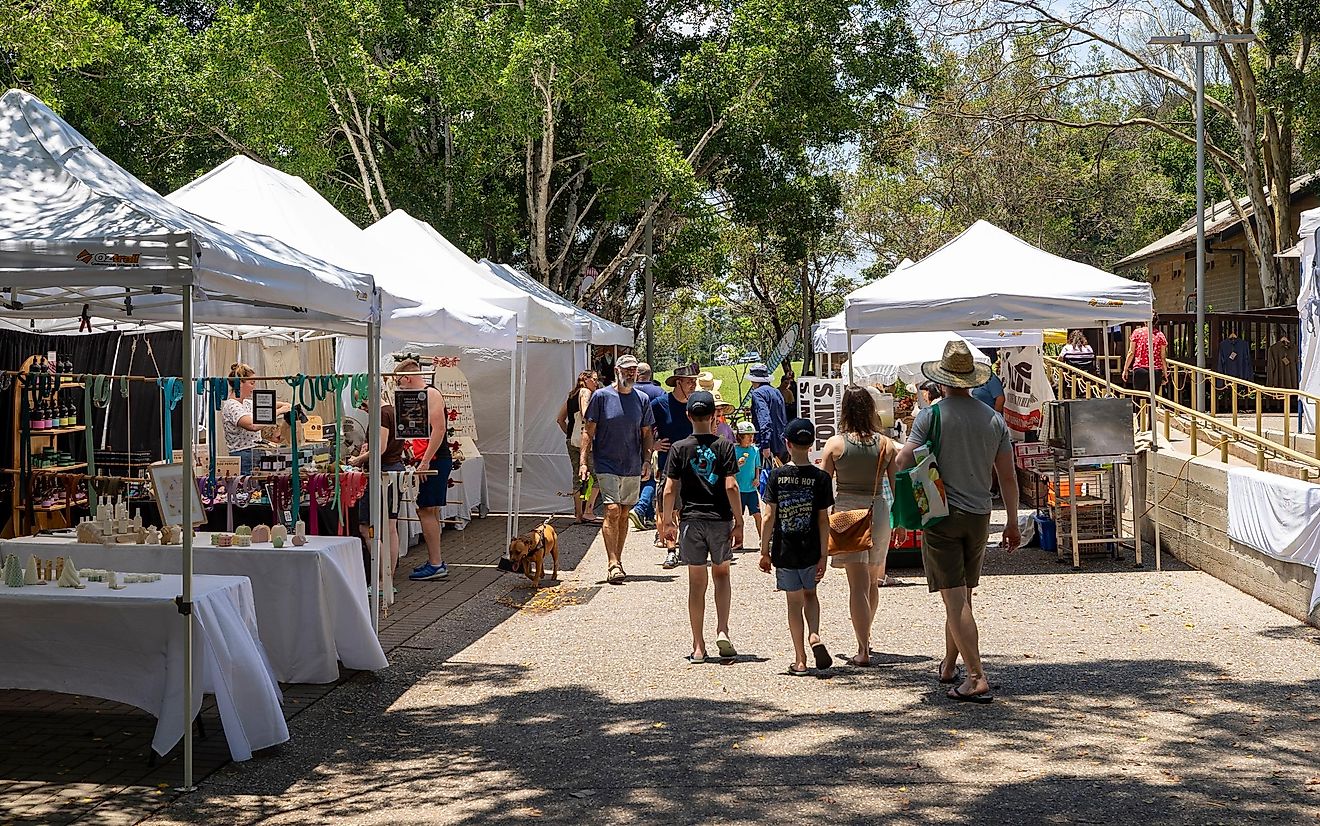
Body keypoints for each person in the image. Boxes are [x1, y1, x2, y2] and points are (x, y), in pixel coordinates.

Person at [895, 341, 1019, 704]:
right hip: (981, 515)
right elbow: (1008, 476)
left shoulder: (930, 415)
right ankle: (950, 663)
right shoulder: (993, 418)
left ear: (942, 379)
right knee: (963, 595)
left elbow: (904, 459)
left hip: (941, 514)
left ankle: (976, 676)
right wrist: (1011, 521)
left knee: (953, 598)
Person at [820, 386, 905, 666]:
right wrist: (901, 521)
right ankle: (866, 637)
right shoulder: (886, 444)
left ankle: (863, 648)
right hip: (878, 511)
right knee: (872, 582)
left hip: (847, 512)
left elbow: (822, 490)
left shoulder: (835, 445)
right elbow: (897, 487)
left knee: (856, 585)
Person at [660, 391, 742, 662]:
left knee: (696, 584)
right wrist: (739, 521)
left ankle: (698, 645)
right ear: (713, 416)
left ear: (688, 416)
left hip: (691, 520)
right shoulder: (724, 446)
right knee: (722, 576)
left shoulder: (679, 448)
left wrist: (668, 521)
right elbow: (731, 485)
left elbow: (670, 488)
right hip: (719, 520)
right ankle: (723, 629)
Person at [759, 418, 835, 675]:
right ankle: (814, 634)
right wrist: (824, 554)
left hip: (785, 548)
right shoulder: (821, 478)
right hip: (811, 547)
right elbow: (824, 519)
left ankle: (800, 659)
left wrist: (764, 551)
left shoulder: (777, 476)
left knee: (794, 603)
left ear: (787, 444)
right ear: (812, 444)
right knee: (810, 594)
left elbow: (769, 516)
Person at [583, 354, 655, 584]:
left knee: (624, 512)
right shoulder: (601, 397)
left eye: (634, 370)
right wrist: (583, 461)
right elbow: (588, 430)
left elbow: (646, 433)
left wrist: (646, 460)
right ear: (617, 370)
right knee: (612, 509)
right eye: (627, 369)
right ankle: (612, 562)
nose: (631, 373)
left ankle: (619, 560)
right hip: (606, 462)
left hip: (632, 463)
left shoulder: (642, 399)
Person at [400, 358, 454, 582]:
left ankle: (436, 563)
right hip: (430, 459)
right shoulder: (421, 396)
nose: (400, 388)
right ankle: (435, 559)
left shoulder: (431, 394)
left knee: (426, 510)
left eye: (401, 383)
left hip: (435, 459)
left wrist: (425, 461)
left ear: (407, 377)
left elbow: (439, 429)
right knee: (429, 510)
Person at [349, 389, 406, 591]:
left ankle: (382, 579)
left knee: (369, 528)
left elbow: (380, 448)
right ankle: (387, 578)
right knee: (390, 527)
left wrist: (358, 460)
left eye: (363, 405)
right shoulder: (392, 411)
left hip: (382, 473)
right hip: (392, 471)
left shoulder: (381, 413)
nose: (363, 410)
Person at [653, 363, 699, 569]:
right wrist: (652, 445)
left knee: (689, 510)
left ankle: (686, 547)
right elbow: (643, 429)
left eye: (695, 381)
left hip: (696, 467)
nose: (693, 385)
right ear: (678, 383)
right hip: (669, 467)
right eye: (690, 382)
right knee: (668, 510)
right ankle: (671, 550)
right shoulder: (660, 404)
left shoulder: (697, 404)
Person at [221, 362, 290, 475]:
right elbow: (252, 425)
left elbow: (270, 405)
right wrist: (280, 411)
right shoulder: (231, 406)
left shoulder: (246, 403)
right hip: (244, 456)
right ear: (240, 384)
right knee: (247, 490)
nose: (254, 386)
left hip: (256, 452)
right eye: (252, 383)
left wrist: (285, 405)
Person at [557, 370, 602, 524]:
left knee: (577, 476)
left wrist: (569, 435)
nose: (597, 383)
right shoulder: (585, 392)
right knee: (596, 475)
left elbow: (559, 419)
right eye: (594, 380)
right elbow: (585, 414)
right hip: (585, 440)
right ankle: (588, 511)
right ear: (586, 379)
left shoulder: (571, 396)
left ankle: (578, 514)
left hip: (571, 441)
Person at [749, 363, 787, 463]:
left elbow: (764, 419)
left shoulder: (757, 394)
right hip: (781, 442)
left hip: (769, 444)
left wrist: (765, 444)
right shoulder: (777, 392)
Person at [1122, 317, 1168, 394]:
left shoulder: (1137, 333)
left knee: (1139, 397)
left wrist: (1125, 369)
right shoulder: (1160, 335)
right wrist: (1165, 372)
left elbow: (1131, 353)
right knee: (1154, 397)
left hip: (1140, 368)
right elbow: (1162, 357)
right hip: (1155, 369)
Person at [733, 421, 763, 540]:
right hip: (738, 490)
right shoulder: (734, 450)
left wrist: (757, 478)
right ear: (740, 436)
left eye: (752, 435)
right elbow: (730, 469)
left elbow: (757, 466)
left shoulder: (754, 450)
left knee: (758, 515)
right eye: (748, 435)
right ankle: (739, 541)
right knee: (738, 517)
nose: (751, 438)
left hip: (751, 489)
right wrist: (737, 464)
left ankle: (763, 539)